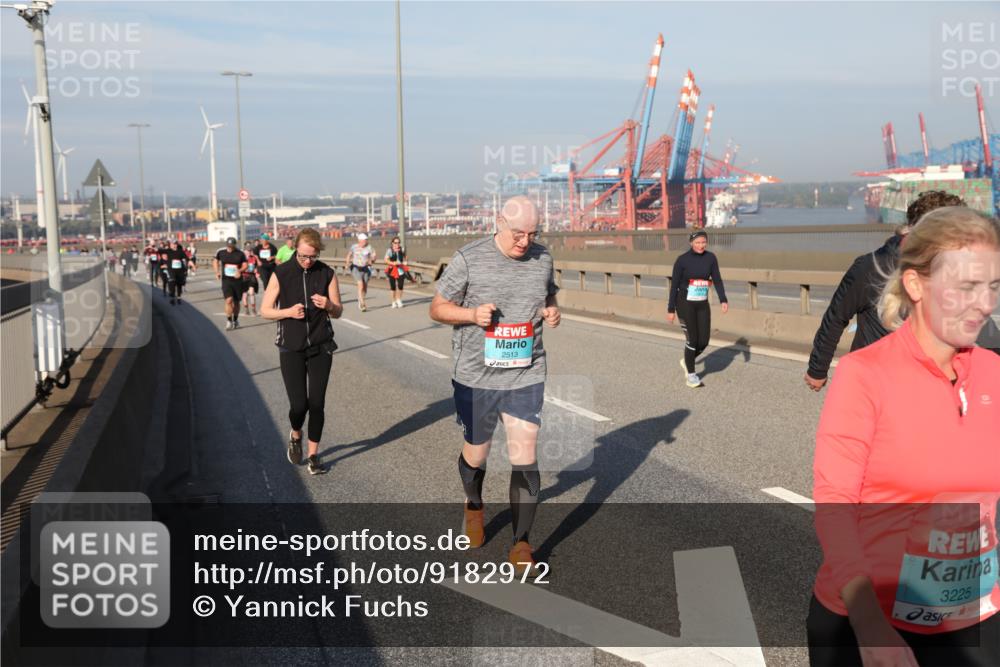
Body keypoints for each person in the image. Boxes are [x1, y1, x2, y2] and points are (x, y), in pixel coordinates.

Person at [809, 207, 1000, 667]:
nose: (984, 304)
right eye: (966, 287)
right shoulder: (864, 374)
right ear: (915, 284)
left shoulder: (994, 372)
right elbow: (835, 505)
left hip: (975, 616)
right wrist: (869, 626)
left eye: (992, 286)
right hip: (871, 621)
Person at [430, 196, 560, 574]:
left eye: (533, 233)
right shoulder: (469, 259)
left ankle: (521, 544)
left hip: (526, 372)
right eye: (518, 233)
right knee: (477, 453)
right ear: (499, 221)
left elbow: (548, 292)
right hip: (476, 376)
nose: (525, 241)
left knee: (525, 453)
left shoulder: (542, 257)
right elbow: (437, 308)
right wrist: (471, 314)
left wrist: (551, 309)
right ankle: (473, 505)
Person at [805, 191, 966, 391]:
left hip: (935, 383)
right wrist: (818, 368)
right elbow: (837, 316)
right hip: (876, 382)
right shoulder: (871, 267)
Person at [261, 228, 343, 476]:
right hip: (291, 347)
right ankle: (296, 434)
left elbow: (338, 311)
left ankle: (314, 456)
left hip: (321, 346)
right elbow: (265, 310)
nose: (308, 261)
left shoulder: (326, 273)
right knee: (299, 406)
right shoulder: (282, 273)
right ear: (295, 249)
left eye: (312, 257)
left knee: (317, 403)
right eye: (303, 256)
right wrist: (287, 312)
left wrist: (329, 305)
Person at [667, 230, 729, 388]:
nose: (701, 245)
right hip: (684, 304)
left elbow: (717, 279)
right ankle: (691, 375)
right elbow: (674, 286)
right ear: (691, 243)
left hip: (702, 303)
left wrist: (723, 299)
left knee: (704, 341)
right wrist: (671, 309)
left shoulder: (711, 258)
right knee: (692, 340)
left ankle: (687, 360)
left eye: (703, 242)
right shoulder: (682, 260)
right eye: (697, 242)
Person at [213, 237, 248, 330]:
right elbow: (215, 261)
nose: (230, 248)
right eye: (228, 246)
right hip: (226, 280)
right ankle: (229, 321)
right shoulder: (221, 252)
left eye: (232, 246)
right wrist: (217, 272)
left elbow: (245, 265)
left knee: (236, 302)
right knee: (228, 300)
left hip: (238, 281)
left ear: (234, 245)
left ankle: (235, 320)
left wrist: (240, 271)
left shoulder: (240, 253)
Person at [346, 232, 375, 311]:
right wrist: (347, 263)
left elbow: (374, 256)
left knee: (365, 287)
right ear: (359, 241)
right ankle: (362, 303)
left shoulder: (369, 247)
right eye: (364, 241)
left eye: (366, 240)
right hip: (356, 267)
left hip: (365, 268)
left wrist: (371, 260)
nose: (365, 242)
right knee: (360, 284)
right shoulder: (354, 247)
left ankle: (361, 299)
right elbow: (349, 255)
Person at [385, 236, 408, 308]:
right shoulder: (390, 250)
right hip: (392, 270)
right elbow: (386, 260)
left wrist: (405, 261)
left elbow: (405, 256)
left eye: (398, 243)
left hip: (401, 270)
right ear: (392, 243)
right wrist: (393, 263)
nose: (397, 244)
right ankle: (393, 301)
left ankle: (398, 299)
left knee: (400, 286)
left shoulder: (402, 249)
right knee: (393, 287)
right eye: (395, 243)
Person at [164, 239, 188, 305]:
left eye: (175, 244)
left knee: (179, 284)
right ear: (170, 245)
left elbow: (186, 258)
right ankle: (172, 297)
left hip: (180, 270)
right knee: (172, 282)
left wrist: (190, 265)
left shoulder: (180, 251)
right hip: (171, 270)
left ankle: (179, 297)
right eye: (172, 244)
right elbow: (162, 254)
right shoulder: (168, 251)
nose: (174, 245)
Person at [242, 248, 260, 316]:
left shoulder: (253, 258)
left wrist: (257, 272)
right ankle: (246, 309)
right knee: (245, 294)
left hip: (252, 276)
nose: (249, 252)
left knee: (251, 292)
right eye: (247, 251)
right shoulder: (241, 258)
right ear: (244, 251)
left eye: (250, 251)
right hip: (243, 277)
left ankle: (253, 309)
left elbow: (258, 266)